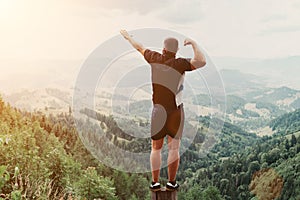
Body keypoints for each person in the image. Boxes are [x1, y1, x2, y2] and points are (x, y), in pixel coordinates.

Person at [120, 29, 206, 191]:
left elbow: (139, 47)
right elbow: (201, 61)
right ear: (176, 51)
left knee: (156, 148)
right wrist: (194, 44)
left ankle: (155, 182)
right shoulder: (180, 64)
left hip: (158, 111)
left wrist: (128, 37)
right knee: (174, 148)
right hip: (175, 111)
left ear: (163, 49)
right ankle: (172, 183)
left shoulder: (154, 58)